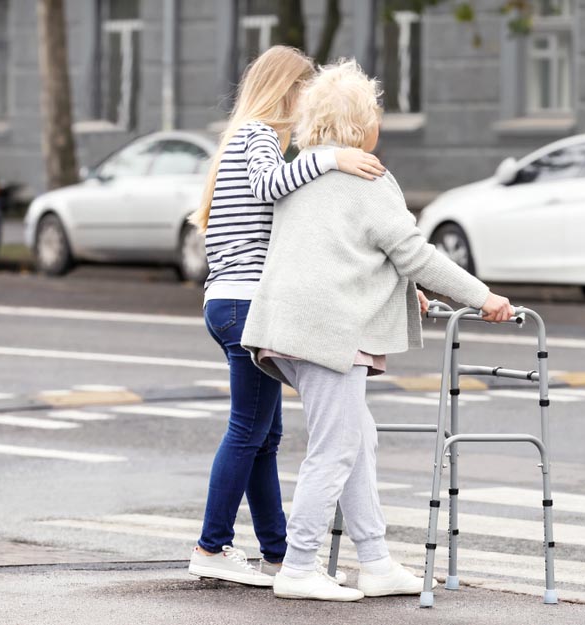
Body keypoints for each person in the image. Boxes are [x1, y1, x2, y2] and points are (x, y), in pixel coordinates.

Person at [241, 59, 513, 602]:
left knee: (356, 439)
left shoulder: (305, 170)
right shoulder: (367, 176)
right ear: (360, 124)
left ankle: (376, 560)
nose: (379, 128)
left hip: (284, 328)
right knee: (336, 447)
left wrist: (392, 285)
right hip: (328, 332)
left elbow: (337, 249)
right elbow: (415, 254)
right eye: (376, 117)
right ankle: (298, 565)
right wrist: (483, 297)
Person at [187, 46, 386, 587]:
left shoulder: (244, 137)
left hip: (230, 300)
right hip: (246, 301)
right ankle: (213, 545)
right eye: (306, 92)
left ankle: (275, 553)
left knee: (263, 433)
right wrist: (331, 159)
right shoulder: (255, 135)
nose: (308, 107)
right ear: (288, 90)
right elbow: (268, 186)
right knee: (248, 431)